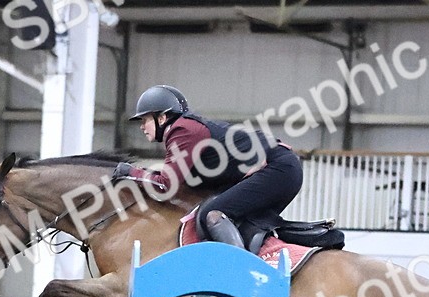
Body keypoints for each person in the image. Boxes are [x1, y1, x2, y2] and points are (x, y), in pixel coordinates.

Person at [112, 84, 303, 251]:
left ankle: (239, 272)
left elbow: (165, 184)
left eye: (145, 119)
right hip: (283, 168)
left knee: (212, 214)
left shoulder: (182, 131)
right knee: (240, 223)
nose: (142, 127)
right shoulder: (186, 130)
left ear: (161, 118)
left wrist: (130, 172)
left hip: (278, 168)